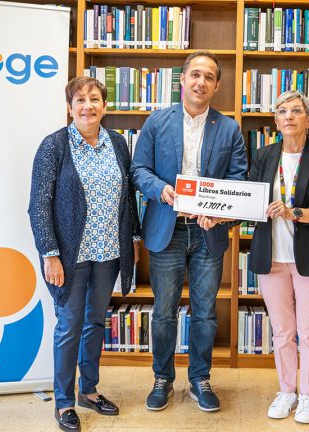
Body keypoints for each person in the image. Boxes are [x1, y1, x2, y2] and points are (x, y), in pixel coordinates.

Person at [131, 50, 248, 412]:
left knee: (205, 312)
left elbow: (238, 177)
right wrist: (159, 189)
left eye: (209, 77)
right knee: (164, 310)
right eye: (195, 75)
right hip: (167, 228)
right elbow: (138, 169)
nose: (201, 82)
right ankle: (162, 378)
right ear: (182, 80)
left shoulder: (228, 128)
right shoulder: (156, 121)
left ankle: (200, 378)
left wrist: (221, 212)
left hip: (208, 233)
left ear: (216, 85)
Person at [28, 76, 141, 432]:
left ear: (105, 106)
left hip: (109, 252)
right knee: (69, 325)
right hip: (69, 256)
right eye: (80, 100)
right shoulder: (54, 146)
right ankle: (63, 402)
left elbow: (129, 198)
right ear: (69, 107)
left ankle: (88, 392)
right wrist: (49, 254)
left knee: (94, 323)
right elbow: (38, 205)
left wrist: (133, 240)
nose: (88, 106)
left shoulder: (118, 144)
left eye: (95, 99)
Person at [247, 90, 309, 424]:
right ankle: (287, 390)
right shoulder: (262, 156)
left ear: (308, 119)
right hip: (271, 258)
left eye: (296, 110)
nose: (288, 116)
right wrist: (216, 212)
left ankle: (308, 395)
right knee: (283, 332)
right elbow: (248, 200)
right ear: (275, 121)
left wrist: (295, 212)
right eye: (282, 111)